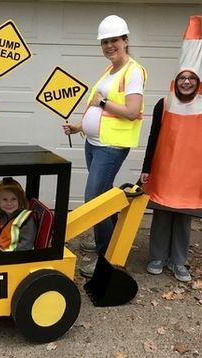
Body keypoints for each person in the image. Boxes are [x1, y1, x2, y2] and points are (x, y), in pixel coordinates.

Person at [62, 15, 146, 277]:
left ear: (125, 40)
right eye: (105, 42)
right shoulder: (109, 70)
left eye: (114, 40)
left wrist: (101, 104)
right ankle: (109, 239)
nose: (109, 45)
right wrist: (79, 126)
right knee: (105, 196)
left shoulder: (133, 71)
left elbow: (131, 111)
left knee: (95, 200)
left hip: (111, 145)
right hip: (94, 143)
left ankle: (105, 256)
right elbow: (97, 106)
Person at [140, 15, 202, 282]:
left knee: (183, 217)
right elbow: (152, 138)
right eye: (183, 78)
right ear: (177, 79)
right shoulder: (164, 103)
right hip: (165, 170)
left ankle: (178, 261)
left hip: (192, 174)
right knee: (162, 214)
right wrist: (146, 169)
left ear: (198, 82)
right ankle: (158, 256)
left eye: (191, 79)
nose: (186, 82)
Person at [0, 177, 37, 252]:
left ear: (20, 200)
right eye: (4, 199)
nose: (9, 203)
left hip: (18, 258)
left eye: (14, 199)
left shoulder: (26, 219)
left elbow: (26, 245)